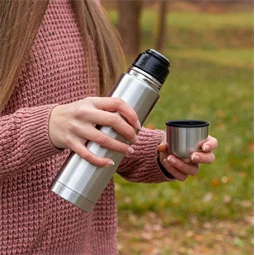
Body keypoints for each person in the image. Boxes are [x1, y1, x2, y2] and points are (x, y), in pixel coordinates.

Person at [0, 0, 218, 254]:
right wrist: (46, 126)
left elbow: (94, 130)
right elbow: (61, 125)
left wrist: (159, 153)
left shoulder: (86, 8)